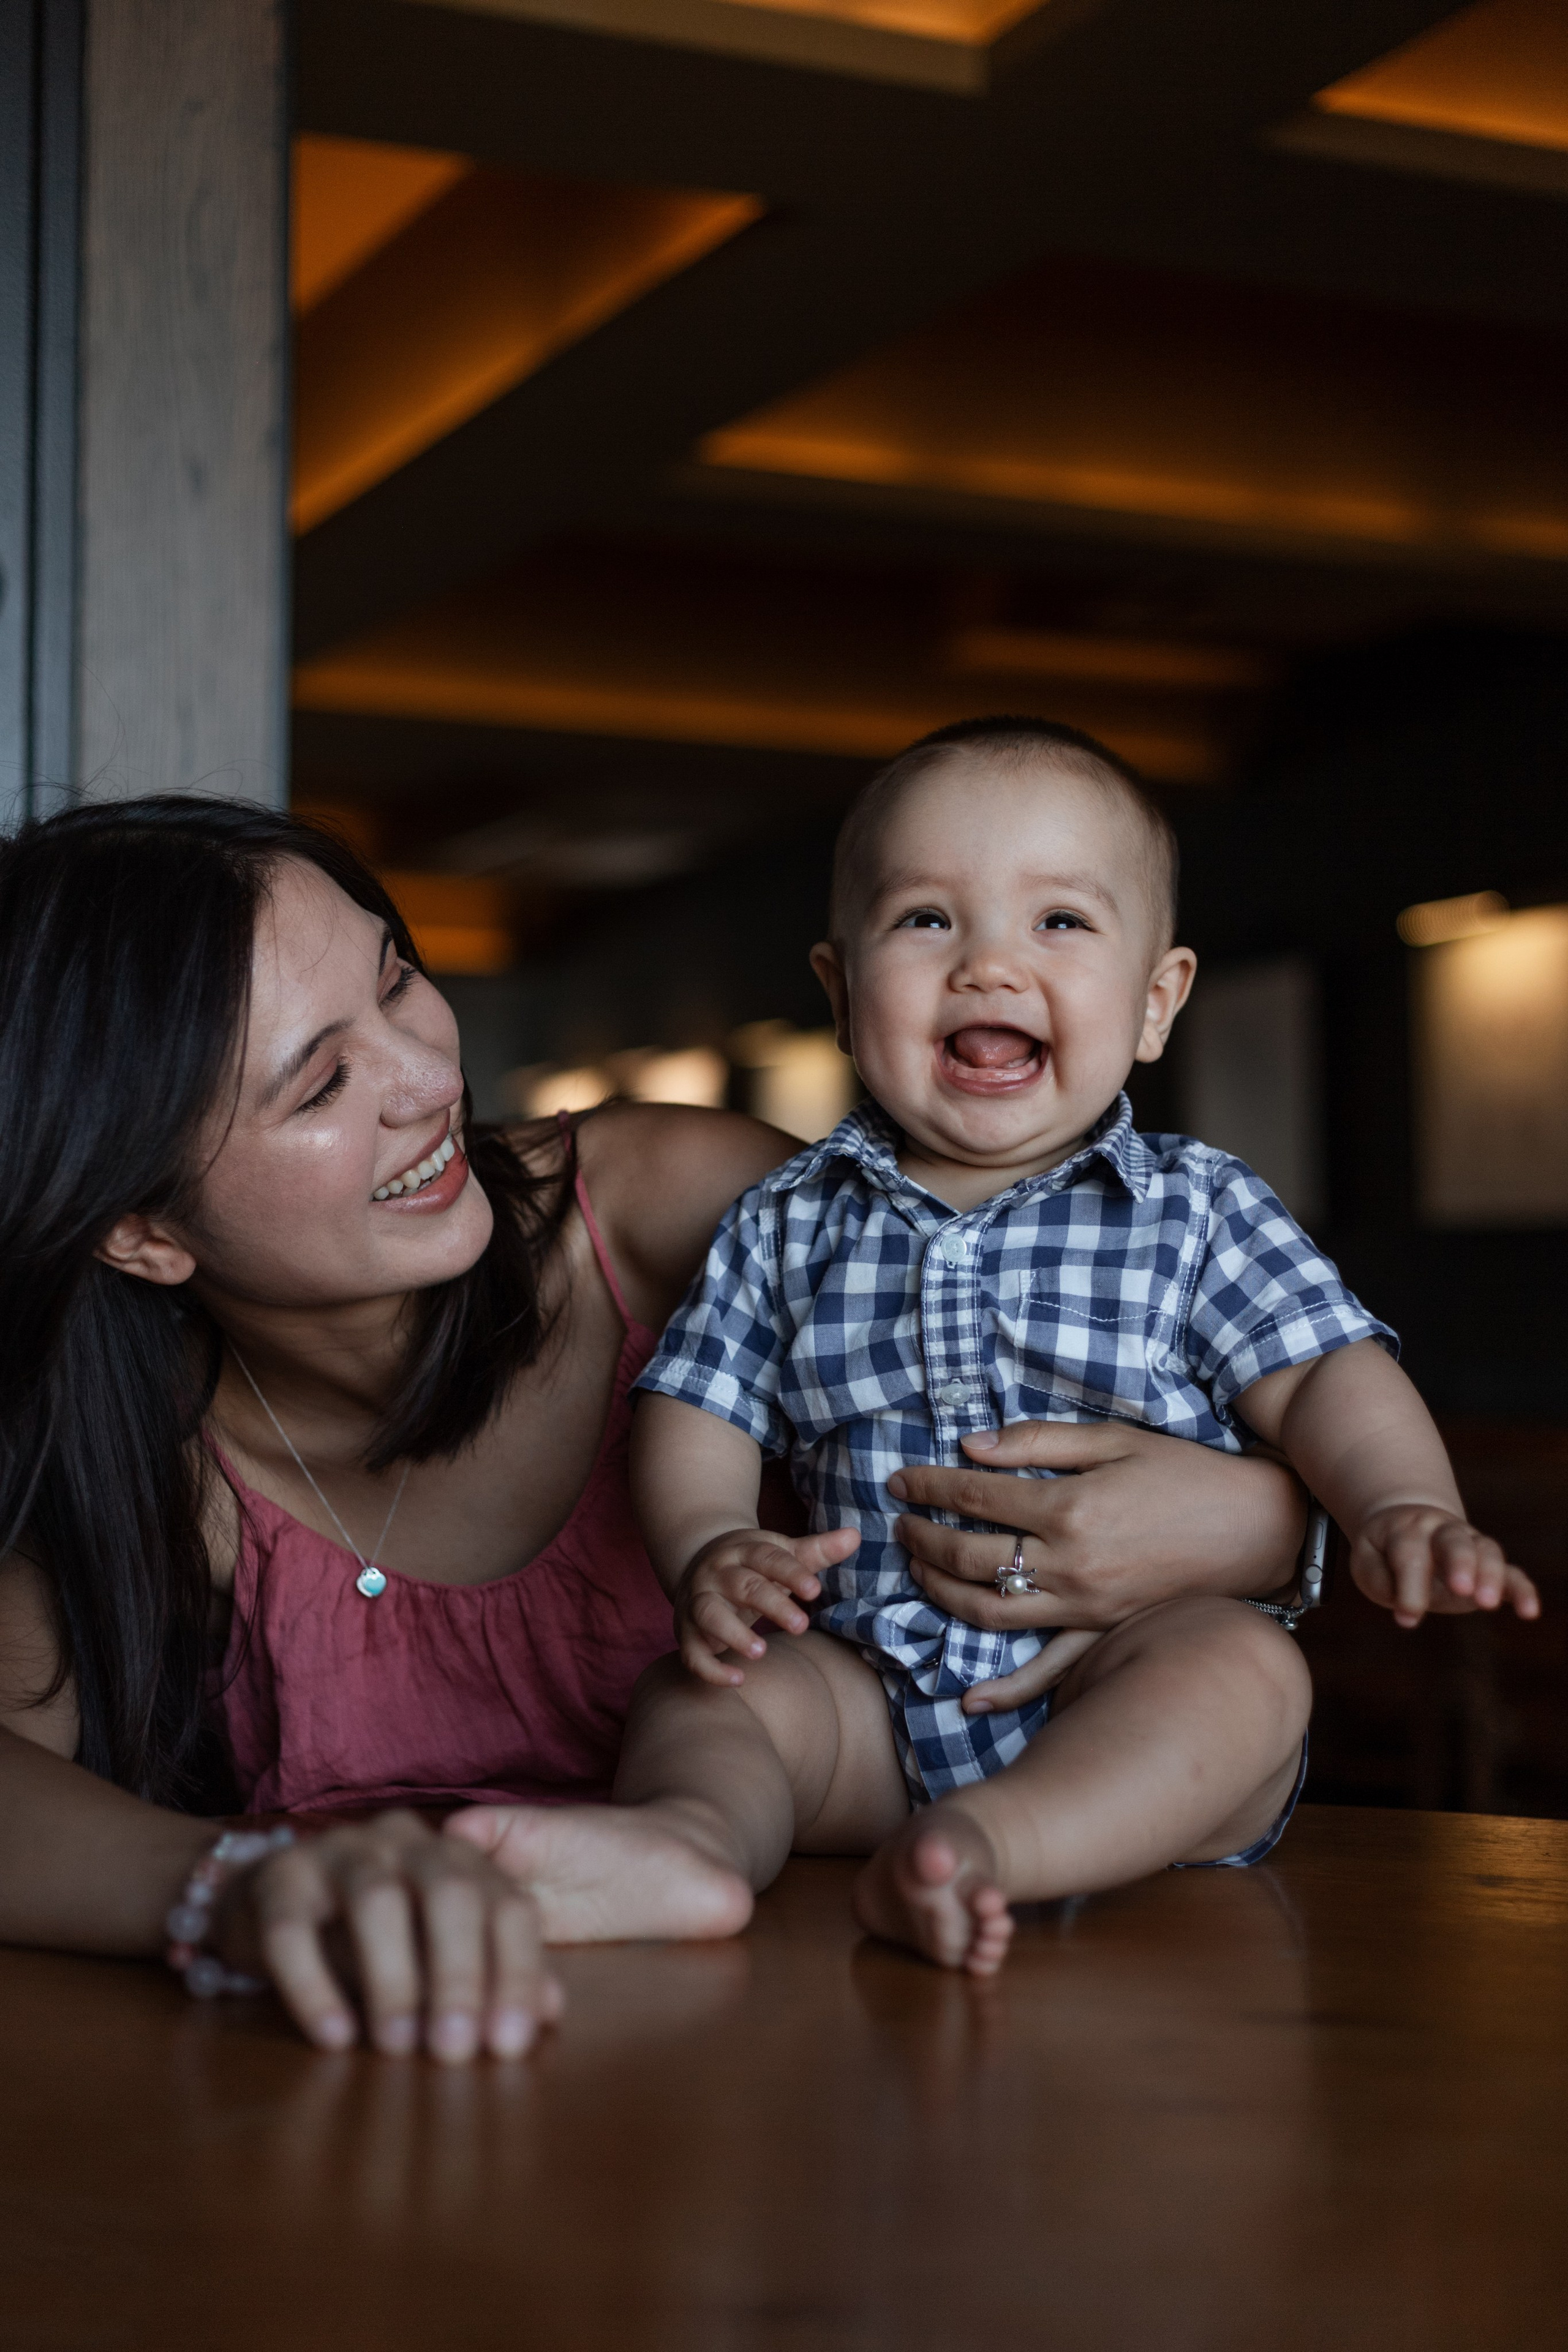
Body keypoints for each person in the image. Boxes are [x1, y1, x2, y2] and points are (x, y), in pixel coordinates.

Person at [0, 793, 1314, 2058]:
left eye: (396, 978)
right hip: (431, 2082)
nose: (423, 1078)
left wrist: (1265, 1522)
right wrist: (237, 1883)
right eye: (320, 1081)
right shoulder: (122, 1463)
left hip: (906, 2032)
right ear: (142, 1229)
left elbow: (1076, 1419)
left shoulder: (679, 1210)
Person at [454, 717, 1539, 1977]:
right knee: (708, 1698)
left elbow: (1323, 1372)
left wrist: (1402, 1503)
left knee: (1241, 1671)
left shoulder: (1194, 1209)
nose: (985, 965)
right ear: (837, 989)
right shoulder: (787, 1219)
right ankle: (688, 1842)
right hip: (864, 1690)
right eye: (925, 920)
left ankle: (988, 1851)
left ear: (1154, 1002)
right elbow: (700, 1406)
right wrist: (711, 1549)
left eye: (1058, 923)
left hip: (1123, 1678)